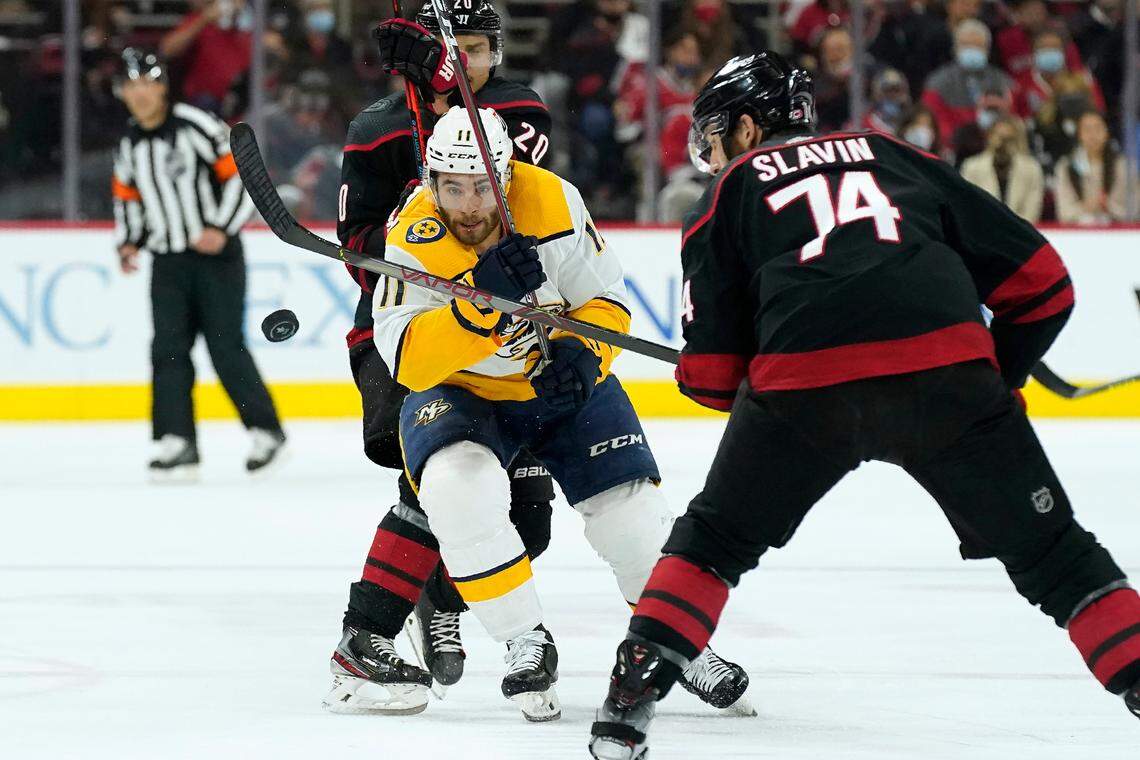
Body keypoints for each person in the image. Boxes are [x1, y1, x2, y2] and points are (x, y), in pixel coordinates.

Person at [588, 51, 1140, 759]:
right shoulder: (895, 154)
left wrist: (747, 369)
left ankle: (627, 705)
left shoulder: (726, 195)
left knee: (714, 543)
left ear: (750, 127)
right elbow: (1045, 284)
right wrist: (993, 375)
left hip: (803, 391)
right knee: (1060, 558)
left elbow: (713, 380)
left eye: (721, 133)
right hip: (950, 382)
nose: (717, 151)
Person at [325, 0, 749, 718]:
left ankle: (681, 646)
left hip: (551, 377)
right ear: (429, 181)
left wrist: (583, 359)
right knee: (452, 497)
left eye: (480, 186)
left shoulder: (549, 195)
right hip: (461, 391)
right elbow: (405, 353)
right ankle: (515, 639)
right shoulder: (413, 224)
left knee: (627, 516)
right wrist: (471, 307)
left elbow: (607, 302)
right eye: (450, 187)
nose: (465, 203)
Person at [326, 0, 557, 715]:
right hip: (412, 333)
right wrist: (421, 242)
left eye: (480, 47)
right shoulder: (375, 130)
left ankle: (439, 596)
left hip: (508, 337)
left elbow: (530, 216)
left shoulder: (520, 113)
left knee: (530, 519)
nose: (470, 60)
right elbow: (360, 246)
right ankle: (365, 637)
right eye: (453, 48)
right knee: (437, 485)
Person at [111, 49, 286, 480]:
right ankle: (176, 439)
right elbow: (127, 197)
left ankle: (265, 430)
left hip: (216, 258)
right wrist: (129, 243)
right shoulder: (130, 143)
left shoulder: (196, 125)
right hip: (166, 260)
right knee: (167, 348)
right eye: (131, 86)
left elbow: (243, 174)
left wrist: (220, 228)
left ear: (162, 86)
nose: (140, 94)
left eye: (147, 83)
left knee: (225, 346)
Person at [921, 19, 1013, 148]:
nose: (972, 50)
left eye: (978, 46)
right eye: (967, 45)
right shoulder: (937, 82)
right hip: (954, 148)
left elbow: (1013, 119)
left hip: (996, 146)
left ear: (988, 49)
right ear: (956, 48)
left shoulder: (1003, 81)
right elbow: (935, 122)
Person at [960, 115, 1044, 223]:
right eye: (999, 137)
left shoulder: (1032, 169)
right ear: (989, 137)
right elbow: (969, 207)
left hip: (1022, 233)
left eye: (1008, 139)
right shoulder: (972, 167)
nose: (1002, 143)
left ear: (1016, 140)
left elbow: (1032, 211)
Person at [1053, 108, 1128, 225]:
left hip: (1116, 231)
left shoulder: (1122, 166)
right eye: (1087, 130)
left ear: (1106, 132)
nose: (1093, 135)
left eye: (1098, 128)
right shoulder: (1066, 166)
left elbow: (1131, 212)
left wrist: (1107, 205)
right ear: (1079, 134)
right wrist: (1086, 206)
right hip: (1077, 232)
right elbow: (1064, 213)